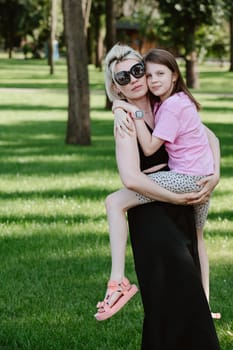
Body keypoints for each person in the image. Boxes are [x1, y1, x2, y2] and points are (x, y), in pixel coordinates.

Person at [95, 43, 221, 350]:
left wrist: (214, 174)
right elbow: (131, 179)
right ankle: (117, 283)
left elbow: (210, 138)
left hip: (182, 213)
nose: (135, 79)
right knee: (168, 307)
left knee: (191, 305)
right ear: (116, 87)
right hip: (153, 219)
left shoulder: (167, 104)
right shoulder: (126, 121)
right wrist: (174, 198)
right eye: (123, 77)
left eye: (138, 70)